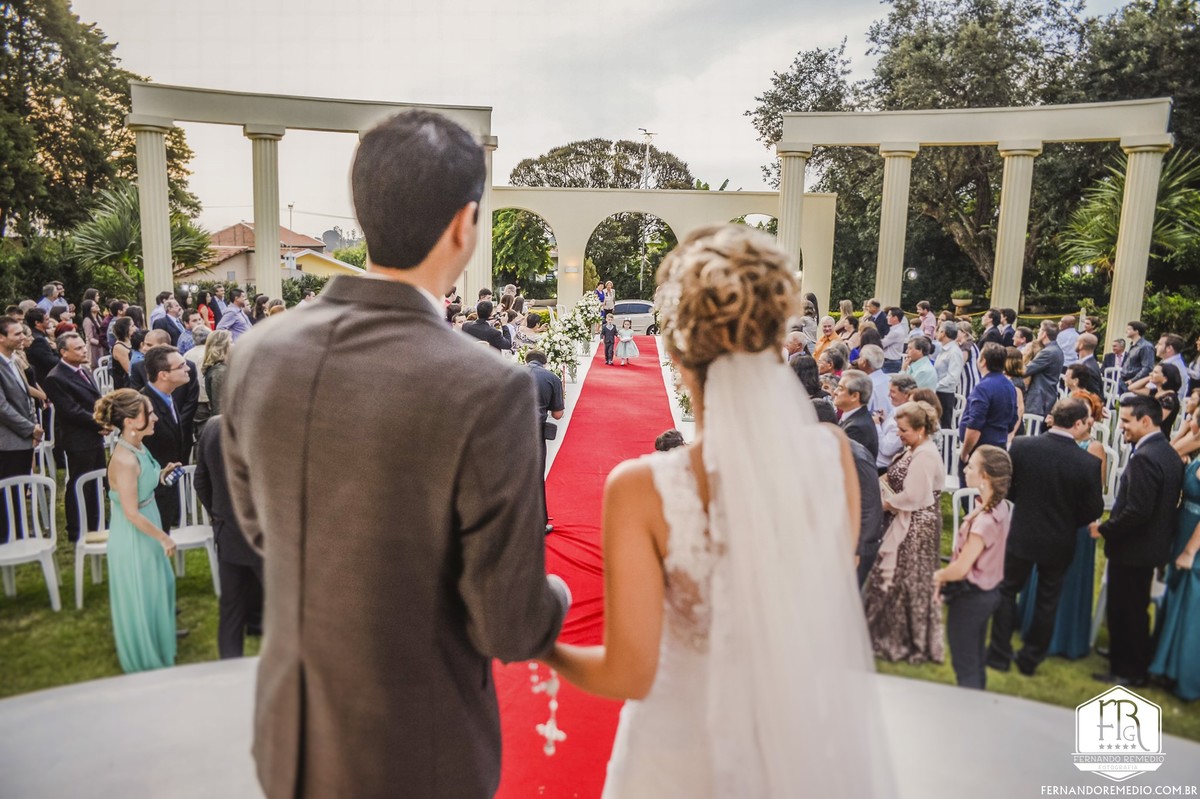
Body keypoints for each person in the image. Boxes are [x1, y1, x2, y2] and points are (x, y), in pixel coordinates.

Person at [221, 110, 570, 798]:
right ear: (464, 224)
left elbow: (261, 526)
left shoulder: (256, 352)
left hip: (288, 732)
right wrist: (554, 594)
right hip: (418, 751)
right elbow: (508, 620)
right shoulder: (488, 385)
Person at [545, 223, 890, 796]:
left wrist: (542, 643)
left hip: (675, 756)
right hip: (797, 741)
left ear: (676, 350)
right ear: (780, 336)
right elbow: (828, 597)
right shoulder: (832, 457)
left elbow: (629, 672)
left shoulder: (640, 487)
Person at [986, 397, 1105, 676]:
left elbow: (1008, 488)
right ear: (1077, 424)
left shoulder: (1024, 446)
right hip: (1060, 539)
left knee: (1006, 590)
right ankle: (1030, 659)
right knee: (1047, 599)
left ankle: (999, 654)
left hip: (1023, 531)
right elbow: (1093, 509)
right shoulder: (1087, 462)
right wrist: (1067, 520)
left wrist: (1026, 505)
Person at [1090, 394, 1184, 686]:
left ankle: (1126, 670)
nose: (1121, 427)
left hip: (1134, 548)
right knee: (1135, 607)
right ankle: (1130, 659)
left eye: (1127, 421)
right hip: (1151, 546)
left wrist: (1104, 529)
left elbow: (1137, 511)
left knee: (1125, 609)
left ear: (1146, 421)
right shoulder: (1167, 451)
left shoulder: (1145, 457)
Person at [1016, 390, 1110, 662]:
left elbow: (1096, 494)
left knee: (1065, 581)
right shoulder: (1047, 443)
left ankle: (1062, 635)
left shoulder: (1094, 448)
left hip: (1075, 524)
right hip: (1047, 520)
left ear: (1087, 420)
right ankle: (1031, 625)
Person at [96, 389, 182, 672]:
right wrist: (164, 537)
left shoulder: (138, 447)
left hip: (149, 517)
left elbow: (142, 485)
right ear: (132, 421)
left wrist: (161, 474)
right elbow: (130, 512)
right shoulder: (124, 460)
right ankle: (145, 658)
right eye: (150, 413)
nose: (156, 417)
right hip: (135, 532)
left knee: (161, 586)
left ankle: (159, 642)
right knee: (144, 592)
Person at [864, 399, 945, 664]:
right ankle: (882, 632)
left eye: (903, 430)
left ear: (921, 429)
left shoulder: (925, 455)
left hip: (917, 522)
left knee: (908, 579)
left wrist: (885, 504)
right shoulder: (914, 448)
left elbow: (914, 495)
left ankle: (904, 639)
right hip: (903, 516)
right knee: (891, 577)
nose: (899, 434)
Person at [935, 445, 1012, 689]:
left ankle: (969, 714)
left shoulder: (985, 523)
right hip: (988, 594)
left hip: (971, 597)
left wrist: (938, 575)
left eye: (971, 466)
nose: (965, 469)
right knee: (975, 659)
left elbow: (960, 568)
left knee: (965, 662)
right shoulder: (1000, 507)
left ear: (985, 476)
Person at [194, 417, 264, 659]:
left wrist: (219, 517)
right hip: (265, 537)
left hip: (229, 534)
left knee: (231, 612)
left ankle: (229, 675)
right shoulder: (268, 427)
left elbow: (200, 481)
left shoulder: (212, 426)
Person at [1149, 434, 1200, 700]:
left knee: (1189, 603)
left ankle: (1180, 672)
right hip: (1184, 528)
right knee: (1175, 596)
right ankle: (1164, 661)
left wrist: (1190, 551)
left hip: (1195, 539)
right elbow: (1171, 450)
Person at [43, 333, 107, 543]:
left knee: (97, 479)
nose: (83, 351)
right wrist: (99, 424)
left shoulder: (84, 370)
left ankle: (96, 521)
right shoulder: (56, 377)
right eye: (78, 348)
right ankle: (77, 527)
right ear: (63, 352)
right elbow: (71, 410)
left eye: (83, 346)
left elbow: (95, 399)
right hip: (78, 437)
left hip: (94, 434)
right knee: (80, 481)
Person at [139, 346, 193, 532]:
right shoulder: (143, 405)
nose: (188, 369)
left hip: (168, 485)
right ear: (163, 375)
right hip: (152, 493)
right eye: (182, 366)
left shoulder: (168, 397)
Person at [0, 318, 41, 540]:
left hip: (24, 434)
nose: (22, 337)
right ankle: (8, 532)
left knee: (20, 484)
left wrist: (34, 424)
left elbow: (25, 395)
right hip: (7, 440)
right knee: (8, 487)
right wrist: (29, 428)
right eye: (16, 334)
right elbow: (2, 407)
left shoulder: (14, 360)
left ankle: (20, 528)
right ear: (1, 337)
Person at [958, 343, 1018, 476]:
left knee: (972, 491)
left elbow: (975, 425)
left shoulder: (983, 388)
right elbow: (1013, 418)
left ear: (983, 361)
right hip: (999, 444)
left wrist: (965, 452)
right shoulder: (1009, 385)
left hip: (980, 448)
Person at [526, 349, 564, 534]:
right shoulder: (551, 377)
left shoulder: (510, 371)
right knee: (535, 475)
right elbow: (558, 414)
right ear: (545, 362)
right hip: (534, 430)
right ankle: (539, 522)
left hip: (507, 428)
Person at [834, 369, 878, 459]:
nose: (835, 392)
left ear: (854, 396)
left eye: (841, 388)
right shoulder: (854, 418)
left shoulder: (857, 428)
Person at [1024, 320, 1064, 418]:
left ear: (1044, 334)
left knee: (1033, 429)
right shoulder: (1056, 349)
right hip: (1046, 395)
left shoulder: (1048, 352)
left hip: (1040, 398)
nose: (1037, 333)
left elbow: (1026, 371)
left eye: (1039, 331)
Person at [934, 322, 963, 429]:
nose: (936, 333)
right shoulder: (944, 349)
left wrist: (936, 386)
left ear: (943, 333)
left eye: (939, 331)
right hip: (939, 391)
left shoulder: (954, 351)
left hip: (945, 394)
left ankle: (948, 445)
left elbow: (953, 376)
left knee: (945, 426)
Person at [203, 330, 232, 418]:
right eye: (231, 342)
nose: (234, 345)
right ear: (222, 347)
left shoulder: (222, 368)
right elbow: (219, 405)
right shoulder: (219, 372)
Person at [1120, 321, 1154, 391]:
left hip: (1133, 382)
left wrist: (1133, 380)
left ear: (1136, 331)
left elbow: (1147, 367)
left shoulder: (1145, 346)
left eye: (1129, 329)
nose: (1126, 331)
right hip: (1124, 380)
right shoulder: (1132, 344)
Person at [110, 317, 134, 390]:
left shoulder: (131, 341)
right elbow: (129, 370)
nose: (135, 328)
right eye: (132, 326)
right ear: (126, 329)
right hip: (125, 384)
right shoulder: (119, 347)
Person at [80, 299, 104, 368]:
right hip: (93, 349)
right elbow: (90, 338)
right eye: (93, 305)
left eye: (96, 304)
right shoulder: (87, 320)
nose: (96, 306)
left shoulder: (99, 318)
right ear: (88, 309)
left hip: (100, 347)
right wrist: (102, 342)